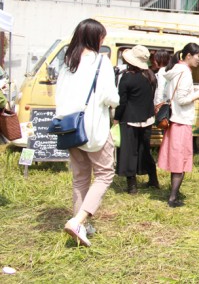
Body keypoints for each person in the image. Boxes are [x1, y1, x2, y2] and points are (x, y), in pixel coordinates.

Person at [56, 19, 119, 247]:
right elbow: (111, 97)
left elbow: (59, 95)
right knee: (104, 174)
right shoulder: (100, 62)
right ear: (95, 38)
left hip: (70, 127)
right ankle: (79, 220)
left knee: (80, 178)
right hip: (94, 128)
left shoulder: (68, 61)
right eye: (102, 36)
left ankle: (81, 223)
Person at [157, 43, 199, 208]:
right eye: (198, 56)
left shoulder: (176, 70)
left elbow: (177, 95)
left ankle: (173, 196)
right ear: (188, 55)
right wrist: (197, 94)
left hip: (174, 121)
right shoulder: (185, 72)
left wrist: (193, 90)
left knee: (176, 161)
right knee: (180, 162)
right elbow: (182, 99)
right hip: (181, 121)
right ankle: (172, 198)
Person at [114, 45, 159, 194]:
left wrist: (116, 118)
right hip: (147, 118)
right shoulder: (151, 76)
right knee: (144, 150)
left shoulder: (127, 77)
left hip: (130, 119)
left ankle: (132, 186)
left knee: (129, 152)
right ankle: (153, 179)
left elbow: (122, 102)